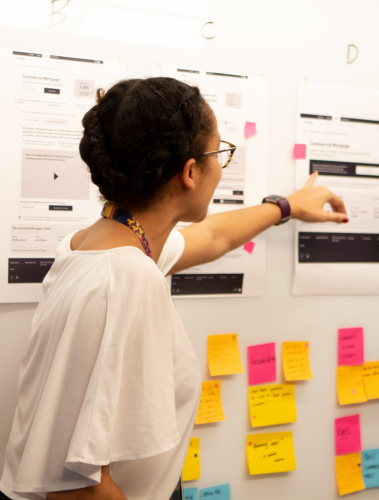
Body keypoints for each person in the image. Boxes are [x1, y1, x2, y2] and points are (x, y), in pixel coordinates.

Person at [0, 77, 347, 500]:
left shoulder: (96, 246)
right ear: (190, 172)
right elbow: (81, 490)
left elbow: (212, 237)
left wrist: (285, 207)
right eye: (219, 153)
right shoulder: (128, 276)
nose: (221, 166)